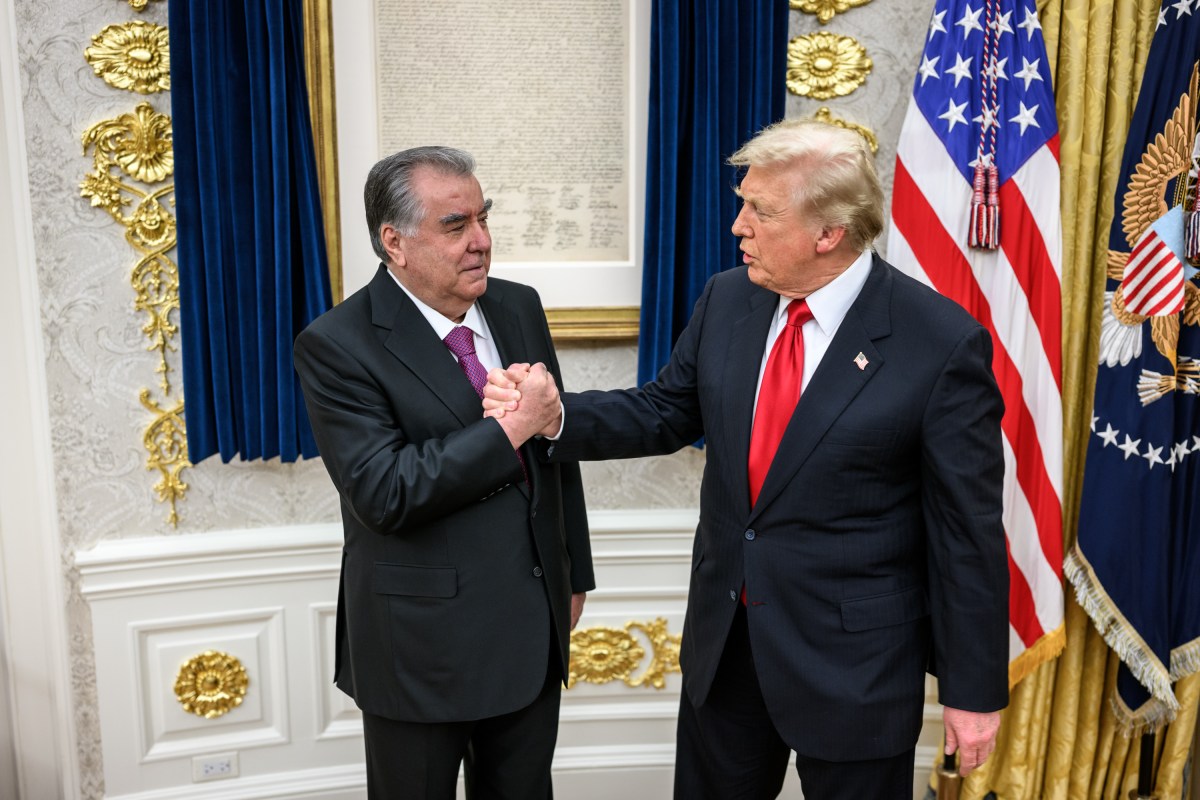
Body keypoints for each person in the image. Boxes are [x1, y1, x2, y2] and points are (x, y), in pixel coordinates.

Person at [484, 119, 1009, 799]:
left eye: (760, 210)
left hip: (856, 668)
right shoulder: (729, 299)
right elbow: (664, 410)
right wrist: (554, 418)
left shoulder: (938, 342)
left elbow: (967, 533)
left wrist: (973, 693)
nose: (738, 226)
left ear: (828, 233)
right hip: (726, 647)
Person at [294, 145, 594, 799]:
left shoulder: (519, 307)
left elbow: (554, 453)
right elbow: (385, 490)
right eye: (455, 226)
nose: (481, 242)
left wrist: (575, 574)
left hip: (530, 629)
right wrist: (507, 428)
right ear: (394, 242)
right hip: (419, 649)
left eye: (483, 219)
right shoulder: (336, 344)